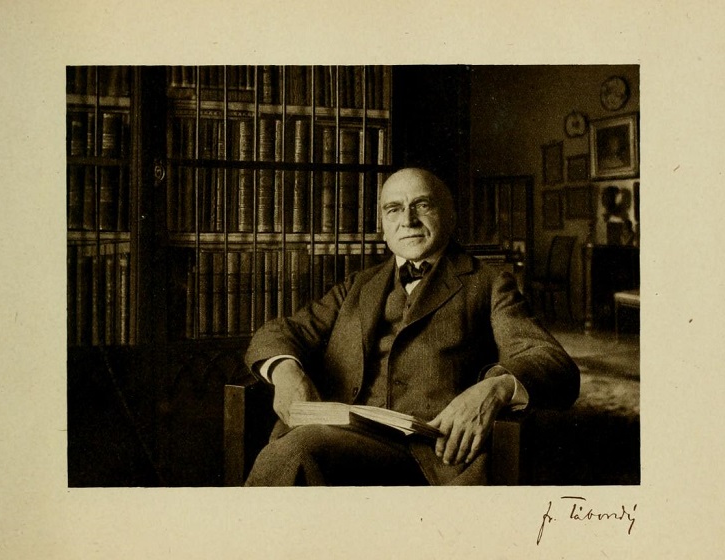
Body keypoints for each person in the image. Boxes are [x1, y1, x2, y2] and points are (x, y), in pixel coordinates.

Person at [244, 168, 579, 486]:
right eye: (394, 210)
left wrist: (495, 388)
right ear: (383, 227)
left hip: (433, 455)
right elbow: (279, 332)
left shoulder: (490, 284)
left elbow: (551, 361)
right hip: (342, 436)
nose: (408, 220)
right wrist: (286, 372)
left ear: (450, 217)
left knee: (297, 452)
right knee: (297, 452)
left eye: (422, 205)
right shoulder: (357, 285)